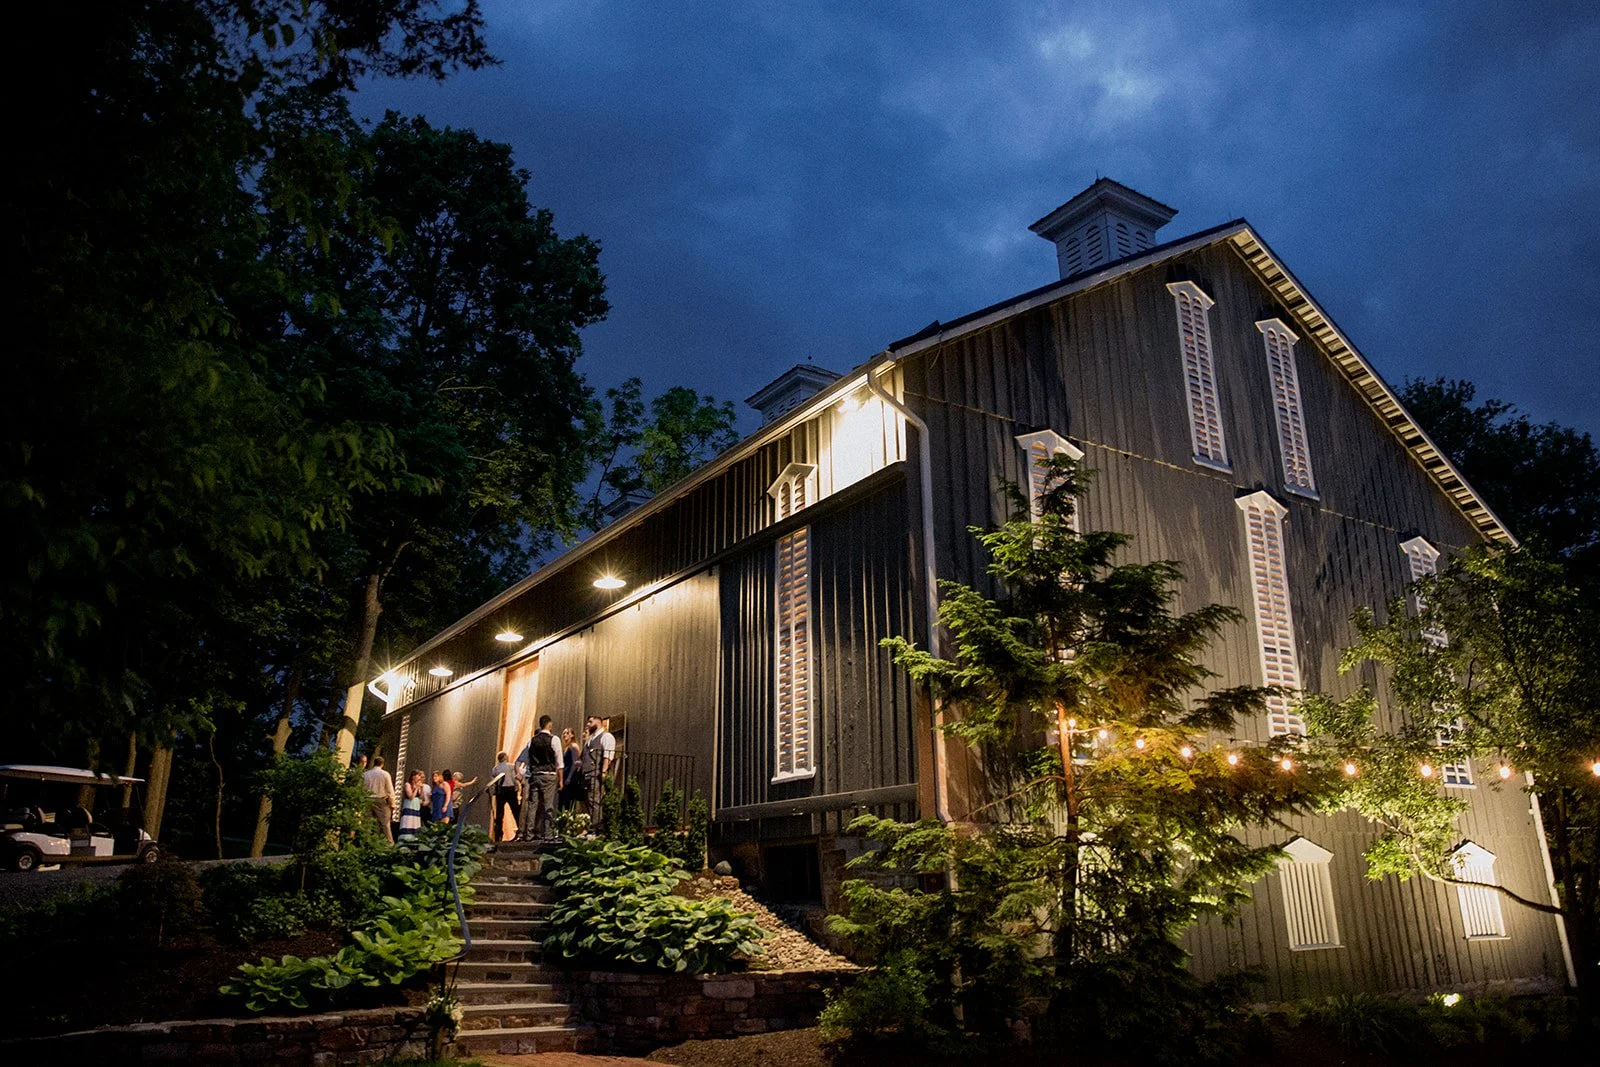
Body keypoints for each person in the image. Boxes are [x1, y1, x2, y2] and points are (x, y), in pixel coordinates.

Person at [520, 715, 563, 841]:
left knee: (533, 805)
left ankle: (529, 834)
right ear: (549, 725)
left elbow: (528, 759)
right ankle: (548, 834)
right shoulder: (554, 739)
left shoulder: (531, 741)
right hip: (549, 775)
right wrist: (561, 780)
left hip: (535, 775)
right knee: (548, 805)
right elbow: (559, 762)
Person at [582, 715, 616, 833]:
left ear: (598, 722)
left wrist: (604, 771)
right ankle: (593, 826)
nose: (588, 724)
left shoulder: (606, 736)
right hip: (588, 773)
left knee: (596, 800)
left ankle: (597, 828)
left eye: (590, 722)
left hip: (596, 772)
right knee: (589, 800)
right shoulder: (590, 738)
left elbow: (608, 755)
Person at [361, 756, 395, 844]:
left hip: (367, 799)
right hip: (380, 800)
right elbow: (390, 789)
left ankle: (365, 843)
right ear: (382, 764)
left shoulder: (366, 774)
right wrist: (392, 803)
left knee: (366, 824)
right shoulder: (385, 774)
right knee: (385, 824)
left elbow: (362, 788)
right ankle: (389, 844)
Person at [488, 751, 518, 844]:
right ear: (505, 758)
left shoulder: (495, 769)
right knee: (516, 810)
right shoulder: (511, 766)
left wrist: (494, 792)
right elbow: (514, 777)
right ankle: (520, 831)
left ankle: (498, 835)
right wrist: (517, 786)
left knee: (499, 813)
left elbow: (493, 780)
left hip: (500, 791)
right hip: (510, 789)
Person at [559, 727, 583, 809]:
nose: (565, 735)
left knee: (568, 801)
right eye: (564, 733)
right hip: (565, 775)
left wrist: (569, 777)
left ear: (572, 735)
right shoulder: (565, 748)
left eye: (567, 733)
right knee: (562, 801)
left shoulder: (573, 746)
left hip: (570, 777)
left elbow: (574, 763)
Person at [399, 770, 426, 840]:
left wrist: (421, 788)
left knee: (415, 822)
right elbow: (411, 796)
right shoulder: (407, 784)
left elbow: (422, 797)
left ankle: (415, 837)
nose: (419, 777)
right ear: (413, 776)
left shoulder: (418, 784)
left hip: (416, 805)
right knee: (408, 821)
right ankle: (406, 837)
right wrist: (416, 788)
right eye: (418, 775)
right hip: (409, 804)